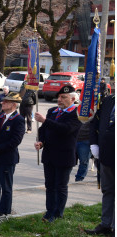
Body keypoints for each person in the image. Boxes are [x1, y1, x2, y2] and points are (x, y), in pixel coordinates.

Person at [34, 85, 81, 222]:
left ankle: (58, 213)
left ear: (72, 99)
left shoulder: (76, 114)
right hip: (49, 154)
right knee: (50, 185)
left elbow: (65, 129)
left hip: (64, 156)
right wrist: (41, 141)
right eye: (59, 97)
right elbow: (44, 130)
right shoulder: (52, 111)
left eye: (63, 97)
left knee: (60, 186)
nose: (59, 100)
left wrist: (45, 121)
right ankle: (49, 212)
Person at [85, 93, 115, 237]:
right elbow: (95, 123)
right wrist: (93, 143)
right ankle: (106, 224)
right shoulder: (109, 100)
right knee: (108, 190)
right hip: (106, 154)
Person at [74, 118, 92, 182]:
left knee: (84, 161)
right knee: (69, 160)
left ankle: (79, 178)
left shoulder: (94, 111)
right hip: (74, 139)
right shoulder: (76, 110)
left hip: (86, 139)